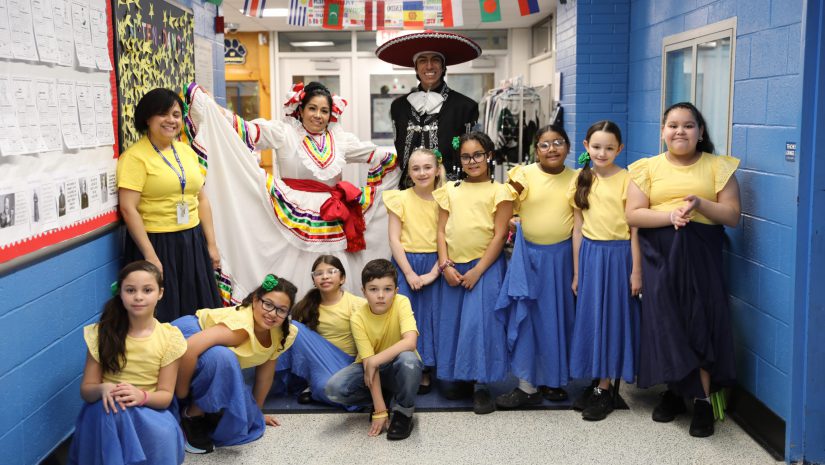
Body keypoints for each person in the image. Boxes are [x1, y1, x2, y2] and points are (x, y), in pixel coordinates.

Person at [183, 81, 399, 301]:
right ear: (301, 110)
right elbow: (245, 129)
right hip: (290, 211)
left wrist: (412, 161)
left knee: (333, 264)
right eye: (312, 108)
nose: (318, 115)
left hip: (332, 216)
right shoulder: (284, 132)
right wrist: (212, 109)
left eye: (324, 110)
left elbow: (377, 155)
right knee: (291, 262)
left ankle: (335, 318)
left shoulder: (340, 139)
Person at [626, 102, 740, 438]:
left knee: (700, 321)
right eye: (673, 125)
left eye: (688, 126)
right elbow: (633, 215)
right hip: (659, 254)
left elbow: (733, 216)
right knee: (667, 322)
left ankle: (702, 400)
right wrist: (670, 216)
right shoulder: (646, 168)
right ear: (662, 132)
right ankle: (675, 392)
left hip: (701, 255)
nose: (680, 131)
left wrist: (700, 204)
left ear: (701, 132)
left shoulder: (719, 167)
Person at [118, 88, 222, 322]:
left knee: (199, 310)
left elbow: (201, 198)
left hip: (192, 239)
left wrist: (211, 244)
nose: (171, 120)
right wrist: (150, 255)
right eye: (163, 114)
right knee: (166, 313)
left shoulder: (186, 151)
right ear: (148, 118)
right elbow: (128, 208)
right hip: (157, 241)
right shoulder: (135, 157)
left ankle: (197, 357)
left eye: (176, 115)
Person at [68, 261, 187, 465]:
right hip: (106, 409)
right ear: (120, 293)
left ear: (160, 293)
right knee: (112, 413)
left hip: (147, 409)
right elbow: (86, 390)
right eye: (130, 290)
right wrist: (103, 388)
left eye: (147, 290)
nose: (138, 297)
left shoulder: (170, 338)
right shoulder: (101, 333)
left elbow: (165, 396)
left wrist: (141, 395)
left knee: (163, 434)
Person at [494, 125, 577, 409]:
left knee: (556, 319)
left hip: (562, 260)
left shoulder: (578, 178)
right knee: (527, 317)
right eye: (544, 144)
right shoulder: (523, 175)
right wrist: (512, 220)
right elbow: (504, 203)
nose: (551, 149)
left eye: (558, 143)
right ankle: (526, 385)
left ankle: (552, 381)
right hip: (528, 258)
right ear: (536, 149)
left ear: (567, 146)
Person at [433, 132, 514, 414]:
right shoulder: (451, 190)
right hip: (454, 267)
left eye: (478, 154)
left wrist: (478, 271)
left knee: (480, 325)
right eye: (466, 156)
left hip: (485, 267)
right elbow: (441, 231)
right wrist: (444, 265)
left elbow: (500, 234)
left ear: (489, 155)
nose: (473, 161)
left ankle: (481, 383)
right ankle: (461, 375)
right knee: (455, 323)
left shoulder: (500, 191)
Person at [171, 274, 298, 454]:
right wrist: (181, 393)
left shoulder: (282, 333)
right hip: (186, 338)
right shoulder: (241, 328)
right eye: (268, 304)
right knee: (223, 359)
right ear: (255, 300)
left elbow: (265, 374)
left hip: (203, 350)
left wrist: (256, 412)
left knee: (245, 416)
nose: (272, 314)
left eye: (281, 310)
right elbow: (189, 349)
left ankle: (205, 408)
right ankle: (191, 415)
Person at [567, 120, 641, 422]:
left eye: (609, 148)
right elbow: (577, 229)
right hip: (591, 256)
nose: (602, 152)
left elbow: (636, 229)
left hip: (619, 255)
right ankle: (596, 380)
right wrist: (576, 272)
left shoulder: (629, 179)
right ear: (586, 147)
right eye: (596, 147)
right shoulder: (581, 180)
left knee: (612, 319)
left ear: (619, 149)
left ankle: (606, 386)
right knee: (592, 317)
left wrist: (637, 271)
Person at [325, 259, 423, 440]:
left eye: (387, 289)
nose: (380, 295)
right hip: (369, 369)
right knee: (334, 389)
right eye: (373, 289)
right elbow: (368, 365)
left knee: (409, 361)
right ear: (363, 292)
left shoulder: (402, 302)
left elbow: (410, 342)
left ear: (396, 291)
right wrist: (380, 410)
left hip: (396, 366)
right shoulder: (357, 317)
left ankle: (403, 413)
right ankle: (382, 396)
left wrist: (375, 360)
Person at [376, 30, 482, 183]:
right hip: (409, 189)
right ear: (416, 67)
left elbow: (470, 152)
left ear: (443, 66)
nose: (429, 66)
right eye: (422, 60)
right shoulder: (398, 107)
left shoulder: (465, 106)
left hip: (450, 189)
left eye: (436, 60)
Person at [383, 148, 443, 394]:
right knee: (407, 317)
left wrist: (434, 272)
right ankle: (407, 365)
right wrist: (408, 273)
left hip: (436, 263)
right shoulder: (400, 199)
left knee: (432, 316)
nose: (422, 173)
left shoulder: (445, 199)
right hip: (405, 264)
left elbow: (447, 238)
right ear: (409, 173)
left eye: (427, 167)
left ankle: (428, 367)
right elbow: (394, 239)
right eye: (416, 168)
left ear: (437, 170)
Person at [286, 255, 365, 406]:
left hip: (348, 362)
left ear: (342, 278)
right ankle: (308, 383)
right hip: (319, 362)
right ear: (314, 281)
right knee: (290, 328)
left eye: (331, 272)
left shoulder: (357, 304)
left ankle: (321, 388)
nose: (325, 277)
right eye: (319, 273)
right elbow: (302, 349)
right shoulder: (306, 305)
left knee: (330, 391)